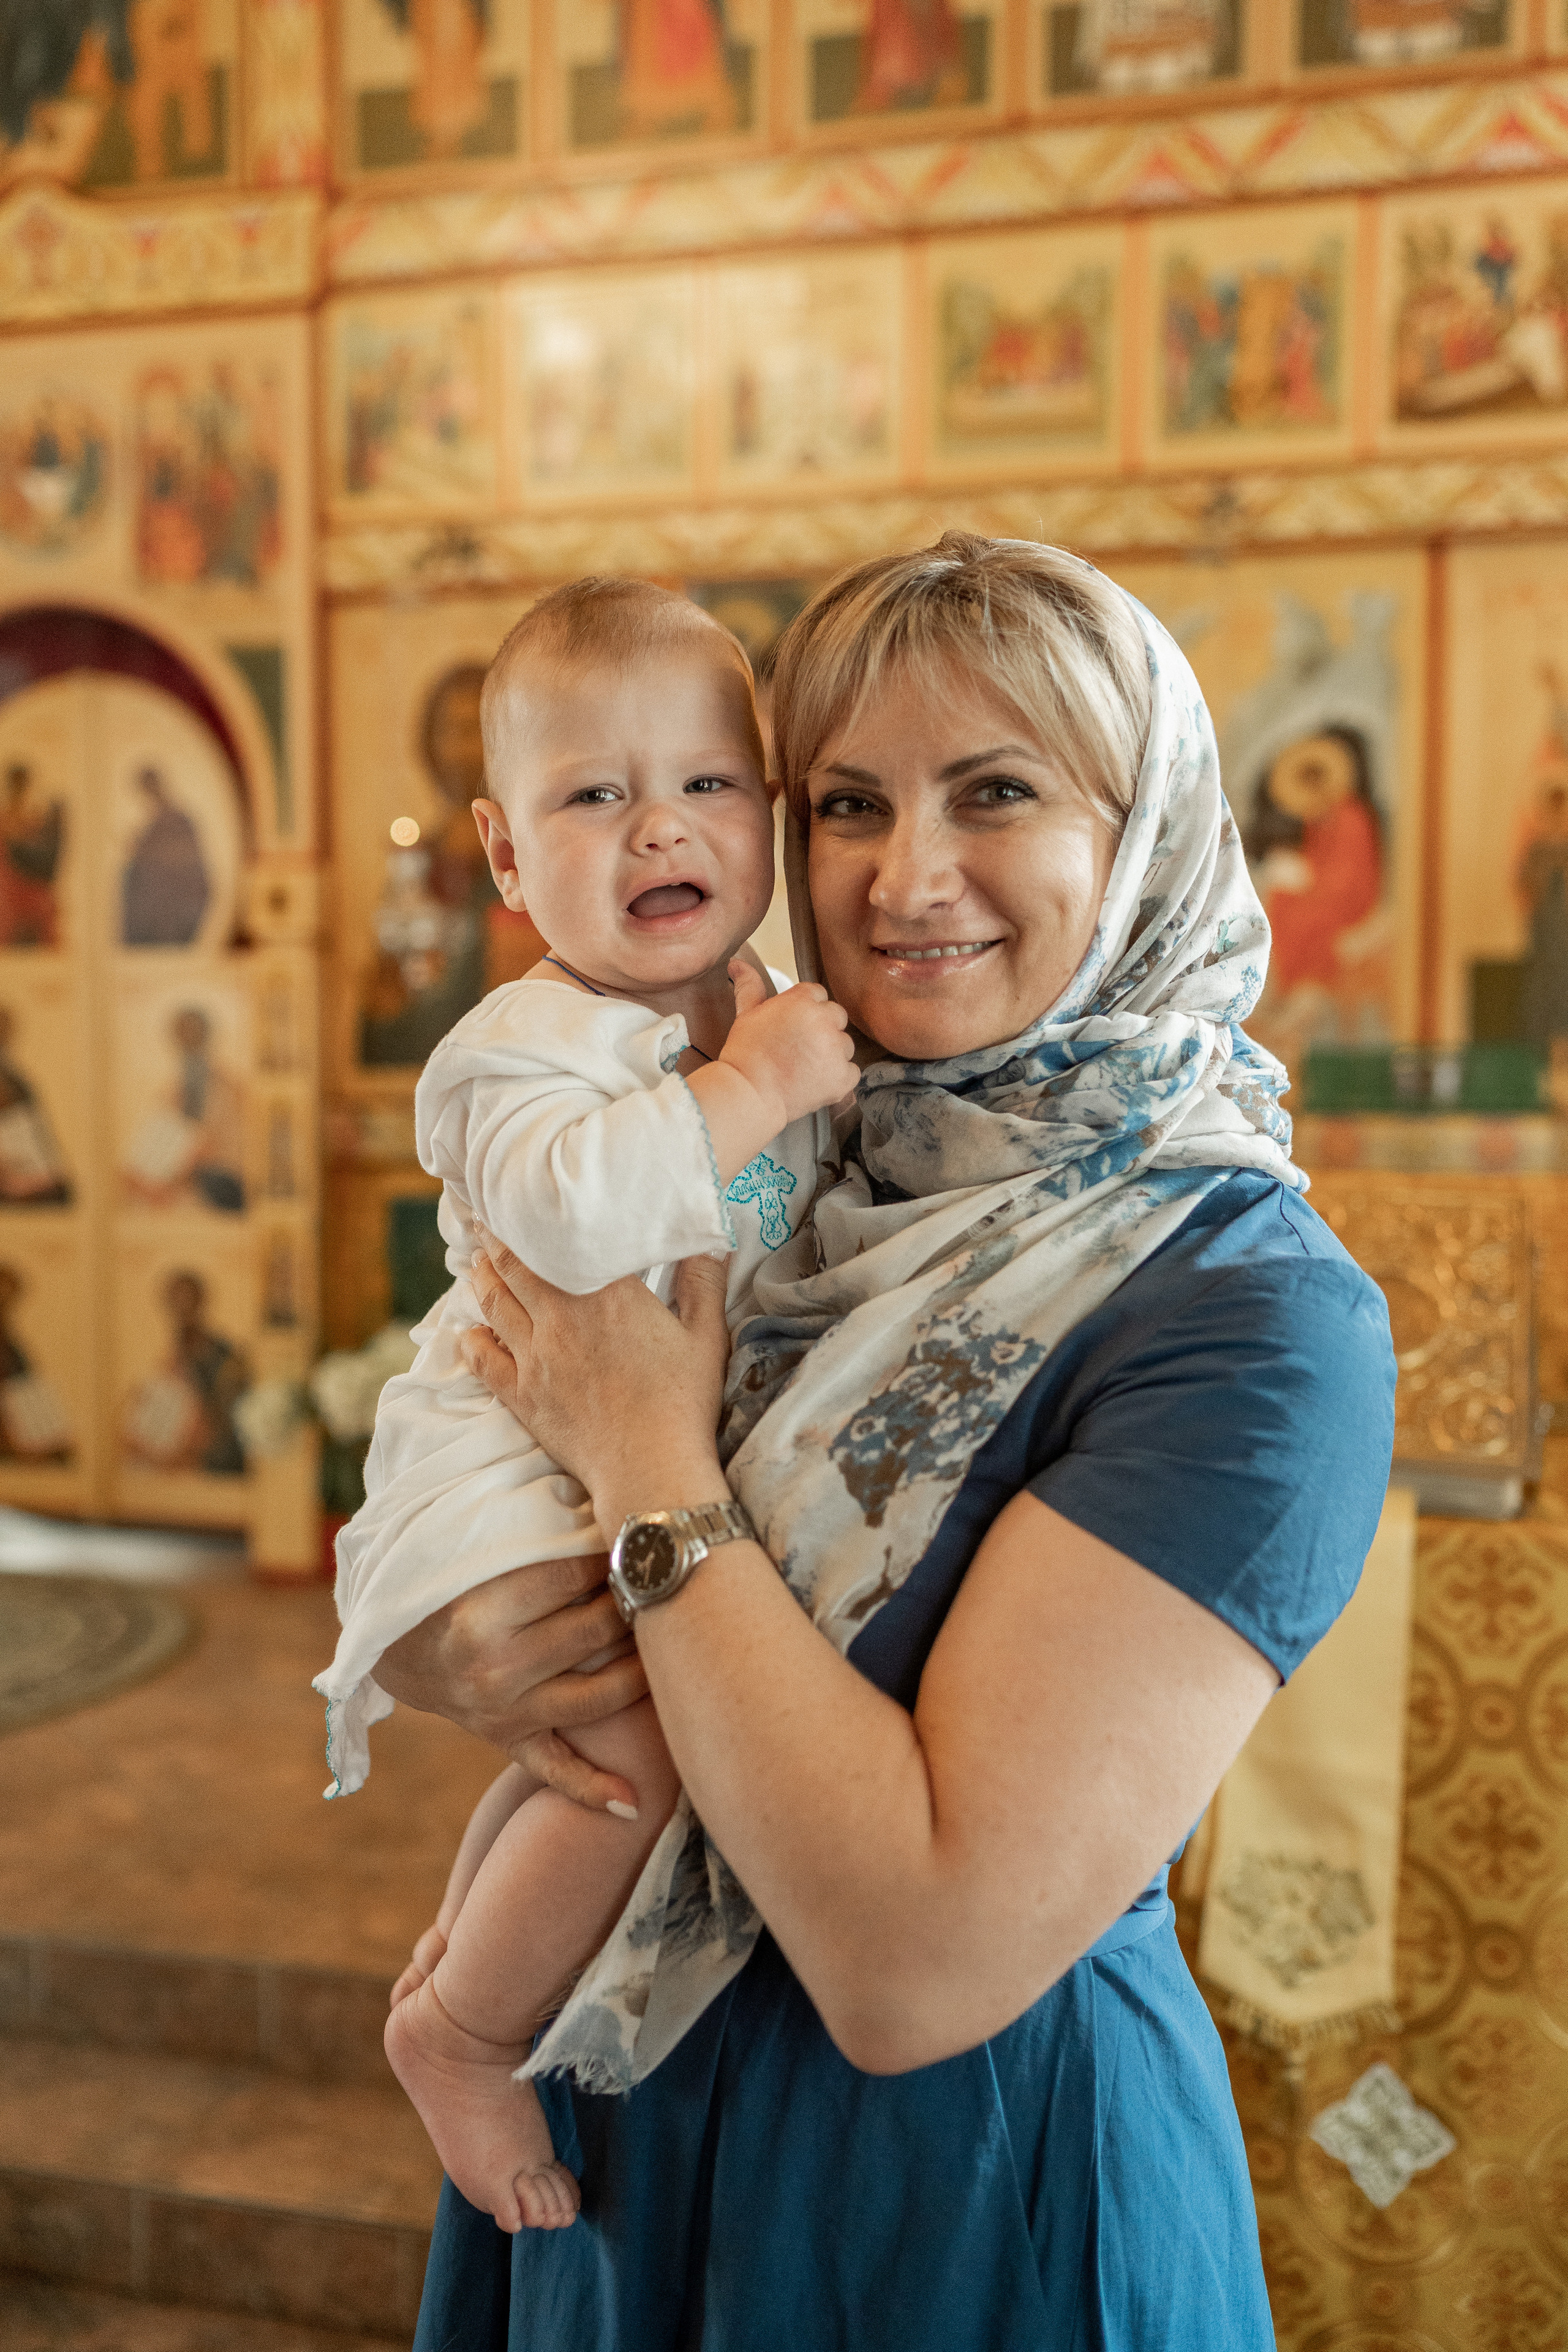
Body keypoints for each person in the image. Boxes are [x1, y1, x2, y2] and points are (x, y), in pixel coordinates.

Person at [379, 535, 1395, 2351]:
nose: (909, 878)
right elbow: (513, 1448)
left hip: (955, 2196)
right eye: (849, 802)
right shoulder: (790, 1147)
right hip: (618, 2137)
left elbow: (915, 1966)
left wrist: (647, 1472)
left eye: (996, 792)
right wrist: (481, 1638)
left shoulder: (1248, 1311)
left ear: (1140, 826)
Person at [318, 578, 856, 2233]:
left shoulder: (760, 1007)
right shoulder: (522, 1044)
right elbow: (562, 1216)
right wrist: (750, 1092)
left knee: (595, 1753)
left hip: (609, 1450)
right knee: (636, 1739)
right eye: (592, 796)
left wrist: (762, 1066)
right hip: (502, 1448)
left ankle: (457, 1966)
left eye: (701, 785)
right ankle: (466, 2033)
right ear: (503, 854)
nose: (654, 832)